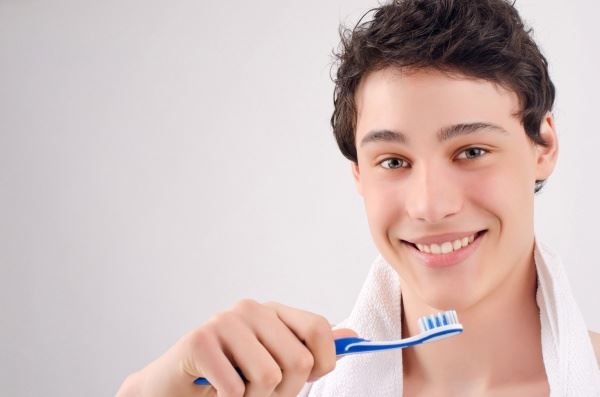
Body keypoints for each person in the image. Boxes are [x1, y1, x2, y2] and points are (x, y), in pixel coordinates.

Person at [116, 0, 600, 396]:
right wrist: (161, 386)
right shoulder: (276, 389)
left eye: (472, 151)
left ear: (544, 146)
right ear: (359, 175)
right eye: (393, 161)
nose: (429, 206)